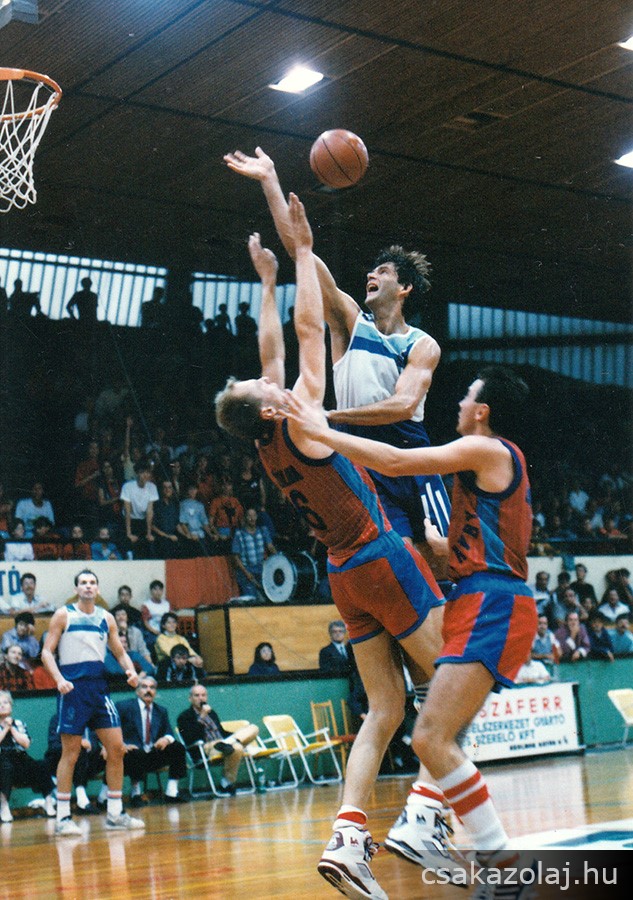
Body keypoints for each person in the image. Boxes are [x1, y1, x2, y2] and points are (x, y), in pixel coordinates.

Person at [215, 196, 451, 894]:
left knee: (385, 708)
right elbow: (306, 327)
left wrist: (266, 280)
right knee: (456, 680)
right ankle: (424, 815)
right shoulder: (306, 418)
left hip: (341, 573)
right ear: (268, 404)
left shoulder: (268, 442)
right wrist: (296, 252)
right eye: (261, 384)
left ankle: (348, 838)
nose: (269, 375)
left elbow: (271, 348)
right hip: (378, 552)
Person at [284, 355, 538, 881]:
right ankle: (430, 823)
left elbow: (398, 462)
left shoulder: (487, 448)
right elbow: (463, 547)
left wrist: (321, 430)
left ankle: (494, 861)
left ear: (482, 411)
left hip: (493, 602)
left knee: (431, 735)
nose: (459, 403)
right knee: (429, 734)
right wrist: (433, 547)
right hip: (479, 596)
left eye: (467, 396)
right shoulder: (482, 467)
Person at [224, 147, 451, 578]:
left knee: (443, 553)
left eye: (383, 272)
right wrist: (270, 181)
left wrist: (329, 417)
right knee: (398, 560)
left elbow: (403, 406)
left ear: (404, 288)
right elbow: (302, 251)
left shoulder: (422, 344)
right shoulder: (350, 322)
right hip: (363, 456)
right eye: (372, 271)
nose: (371, 275)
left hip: (410, 450)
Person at [41, 569, 145, 835]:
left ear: (98, 589)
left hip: (99, 689)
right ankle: (63, 818)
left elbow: (119, 652)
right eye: (83, 583)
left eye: (92, 583)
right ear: (76, 589)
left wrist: (131, 671)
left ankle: (115, 813)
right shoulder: (63, 615)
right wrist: (59, 679)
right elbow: (46, 652)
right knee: (71, 754)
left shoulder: (106, 618)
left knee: (117, 749)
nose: (88, 586)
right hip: (73, 690)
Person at [116, 676, 188, 806]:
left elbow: (169, 732)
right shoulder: (124, 707)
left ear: (155, 692)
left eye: (152, 687)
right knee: (136, 753)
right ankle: (136, 793)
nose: (148, 690)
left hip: (153, 753)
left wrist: (166, 739)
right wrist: (122, 744)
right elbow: (112, 730)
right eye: (144, 687)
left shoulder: (161, 711)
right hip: (131, 754)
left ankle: (171, 792)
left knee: (177, 747)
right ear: (137, 690)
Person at [177, 684, 259, 796]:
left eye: (203, 695)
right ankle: (227, 782)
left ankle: (231, 742)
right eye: (197, 695)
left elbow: (222, 732)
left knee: (253, 728)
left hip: (224, 743)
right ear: (190, 698)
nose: (201, 698)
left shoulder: (212, 713)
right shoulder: (184, 717)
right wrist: (202, 716)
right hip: (206, 748)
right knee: (238, 747)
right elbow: (190, 738)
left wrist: (238, 734)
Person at [0, 690, 56, 823]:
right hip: (2, 761)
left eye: (5, 702)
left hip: (19, 758)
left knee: (42, 765)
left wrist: (11, 728)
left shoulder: (18, 723)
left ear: (11, 706)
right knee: (5, 768)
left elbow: (25, 744)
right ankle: (4, 805)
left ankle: (48, 802)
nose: (2, 705)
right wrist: (5, 728)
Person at [44, 711, 105, 815]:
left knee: (113, 752)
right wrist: (76, 743)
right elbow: (54, 746)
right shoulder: (58, 719)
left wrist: (105, 746)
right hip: (62, 761)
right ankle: (82, 801)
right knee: (78, 751)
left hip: (88, 762)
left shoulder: (91, 719)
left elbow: (96, 740)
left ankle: (103, 798)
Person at [231, 507, 277, 597]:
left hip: (261, 570)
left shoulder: (263, 530)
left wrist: (280, 559)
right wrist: (246, 573)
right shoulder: (239, 534)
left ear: (257, 517)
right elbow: (236, 557)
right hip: (246, 571)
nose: (252, 518)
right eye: (249, 516)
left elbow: (271, 547)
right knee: (252, 598)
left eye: (254, 515)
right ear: (245, 518)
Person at [120, 461, 158, 559]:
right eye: (142, 472)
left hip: (143, 521)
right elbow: (127, 511)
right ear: (137, 473)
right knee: (129, 545)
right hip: (129, 521)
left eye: (147, 472)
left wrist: (149, 533)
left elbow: (150, 511)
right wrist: (129, 533)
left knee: (149, 544)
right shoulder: (127, 486)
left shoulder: (152, 487)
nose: (145, 475)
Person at [140, 580, 171, 654]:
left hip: (166, 630)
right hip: (152, 632)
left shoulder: (166, 604)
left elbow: (171, 618)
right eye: (155, 589)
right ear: (151, 591)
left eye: (160, 589)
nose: (158, 592)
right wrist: (155, 632)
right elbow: (145, 622)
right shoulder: (146, 605)